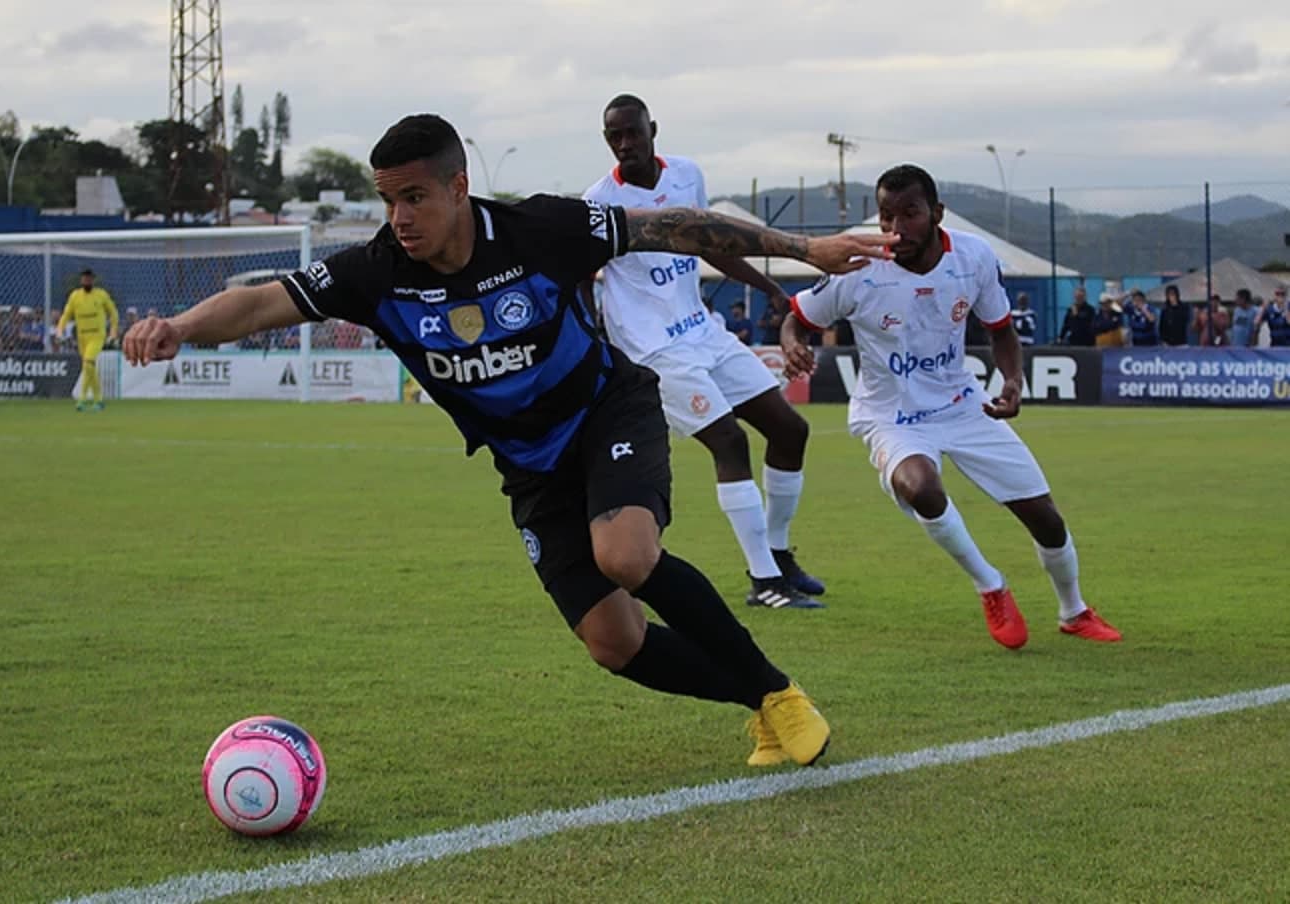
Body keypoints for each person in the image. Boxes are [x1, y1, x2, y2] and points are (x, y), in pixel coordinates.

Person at [125, 113, 898, 767]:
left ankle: (776, 691)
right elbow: (264, 303)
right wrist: (179, 329)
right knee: (613, 642)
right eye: (389, 200)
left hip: (606, 412)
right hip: (528, 467)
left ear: (460, 187)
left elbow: (672, 228)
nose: (400, 217)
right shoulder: (377, 271)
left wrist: (805, 250)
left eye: (417, 197)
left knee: (624, 555)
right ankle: (755, 696)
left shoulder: (539, 228)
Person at [780, 164, 1121, 649]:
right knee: (920, 485)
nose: (896, 230)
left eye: (910, 214)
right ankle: (991, 586)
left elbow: (1000, 330)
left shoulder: (974, 257)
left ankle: (1074, 610)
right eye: (885, 216)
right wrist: (793, 344)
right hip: (890, 416)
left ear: (936, 213)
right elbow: (796, 318)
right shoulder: (858, 267)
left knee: (1045, 517)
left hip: (962, 405)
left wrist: (1013, 380)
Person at [582, 94, 826, 610]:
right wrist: (594, 339)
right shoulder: (598, 200)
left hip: (704, 331)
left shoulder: (687, 174)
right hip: (655, 351)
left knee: (790, 430)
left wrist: (768, 288)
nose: (625, 144)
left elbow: (712, 244)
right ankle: (764, 581)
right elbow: (584, 276)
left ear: (653, 129)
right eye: (614, 137)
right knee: (729, 442)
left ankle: (779, 556)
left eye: (633, 132)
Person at [57, 268, 119, 411]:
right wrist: (60, 330)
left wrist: (113, 332)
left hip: (97, 336)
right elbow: (66, 315)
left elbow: (113, 312)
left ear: (93, 280)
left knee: (88, 362)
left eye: (89, 279)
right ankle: (94, 401)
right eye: (85, 278)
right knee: (88, 367)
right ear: (81, 280)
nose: (87, 281)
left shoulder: (101, 295)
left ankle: (87, 398)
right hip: (82, 337)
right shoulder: (75, 296)